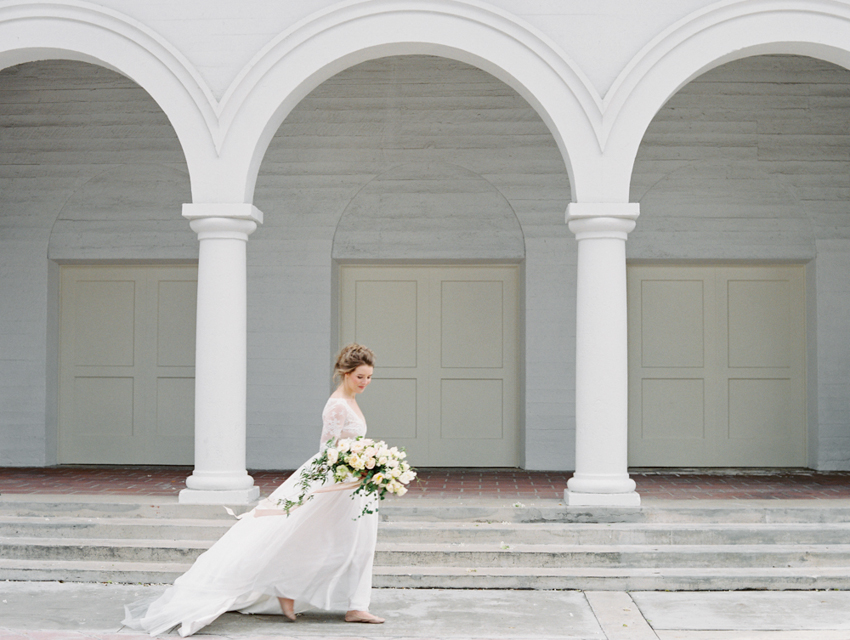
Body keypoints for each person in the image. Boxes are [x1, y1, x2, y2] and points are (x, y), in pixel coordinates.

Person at [122, 343, 385, 636]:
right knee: (320, 540)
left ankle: (350, 604)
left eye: (369, 377)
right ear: (346, 373)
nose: (365, 382)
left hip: (354, 486)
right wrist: (357, 466)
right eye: (360, 376)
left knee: (355, 543)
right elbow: (327, 450)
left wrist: (369, 465)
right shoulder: (337, 404)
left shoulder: (351, 401)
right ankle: (308, 596)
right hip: (337, 485)